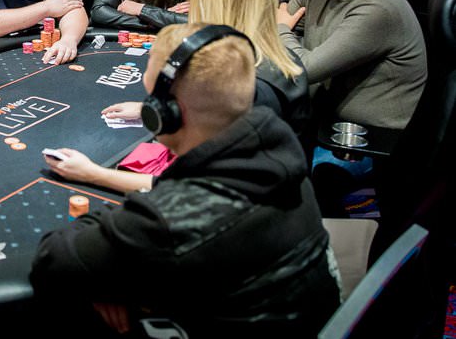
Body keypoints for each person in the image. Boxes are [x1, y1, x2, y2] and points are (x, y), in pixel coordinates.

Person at [30, 23, 341, 337]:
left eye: (150, 96)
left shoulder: (167, 219)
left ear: (165, 113)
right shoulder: (278, 157)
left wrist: (110, 283)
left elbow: (54, 258)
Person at [45, 0, 311, 192]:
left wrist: (93, 173)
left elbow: (194, 189)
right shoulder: (281, 60)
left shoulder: (247, 89)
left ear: (217, 2)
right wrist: (150, 111)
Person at [277, 0, 426, 130]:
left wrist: (281, 28)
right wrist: (280, 29)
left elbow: (304, 69)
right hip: (320, 117)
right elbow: (272, 35)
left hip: (369, 135)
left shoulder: (378, 9)